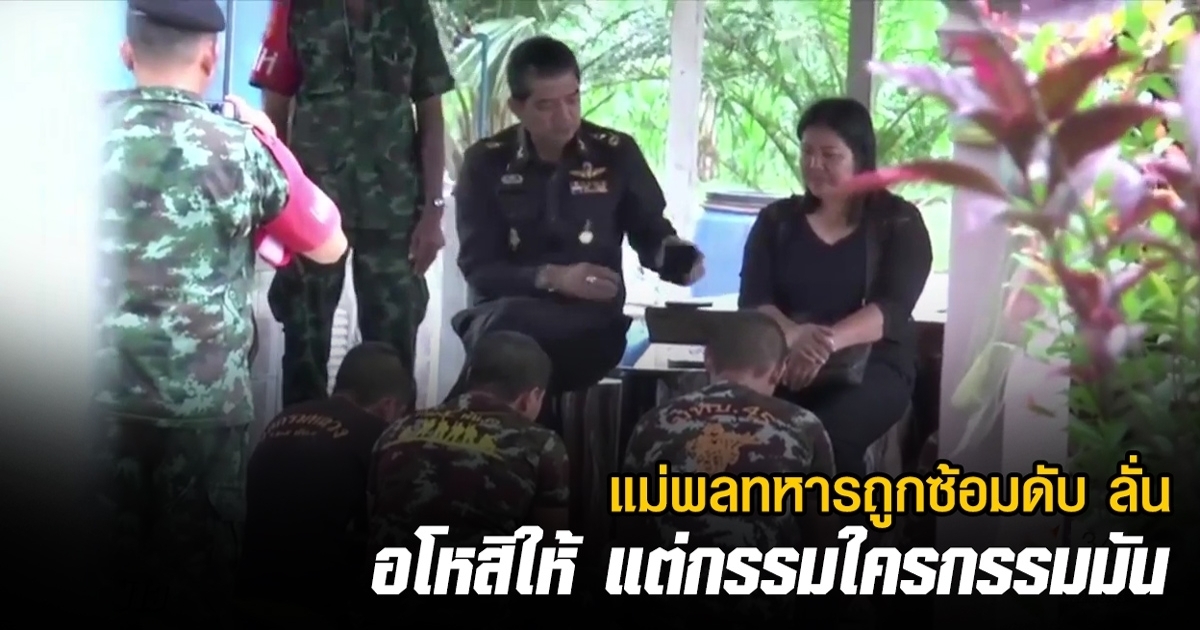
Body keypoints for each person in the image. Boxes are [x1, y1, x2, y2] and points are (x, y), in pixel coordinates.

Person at [94, 0, 348, 624]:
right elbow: (329, 243)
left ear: (127, 54)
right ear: (210, 60)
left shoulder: (68, 137)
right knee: (195, 583)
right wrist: (272, 144)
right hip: (201, 412)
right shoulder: (239, 149)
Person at [451, 36, 705, 422]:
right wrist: (554, 277)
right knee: (510, 332)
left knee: (505, 349)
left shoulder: (615, 153)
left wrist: (676, 258)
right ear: (517, 107)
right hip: (500, 317)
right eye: (547, 105)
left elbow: (650, 231)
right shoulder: (485, 163)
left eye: (572, 99)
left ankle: (450, 426)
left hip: (589, 324)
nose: (565, 116)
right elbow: (479, 268)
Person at [250, 0, 455, 406]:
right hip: (312, 208)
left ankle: (386, 444)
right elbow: (274, 116)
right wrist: (279, 207)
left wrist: (433, 211)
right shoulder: (295, 8)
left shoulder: (410, 9)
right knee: (304, 342)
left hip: (394, 209)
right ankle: (304, 439)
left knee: (394, 350)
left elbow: (431, 115)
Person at [738, 97, 932, 480]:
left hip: (873, 365)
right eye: (807, 152)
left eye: (830, 155)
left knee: (828, 436)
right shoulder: (776, 221)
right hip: (784, 359)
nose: (814, 164)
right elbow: (754, 301)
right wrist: (795, 337)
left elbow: (891, 310)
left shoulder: (898, 222)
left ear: (860, 158)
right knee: (749, 433)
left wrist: (824, 344)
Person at [620, 311, 838, 624]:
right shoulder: (805, 427)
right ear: (780, 371)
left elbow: (629, 535)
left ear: (708, 360)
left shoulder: (654, 422)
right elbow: (824, 544)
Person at [238, 342, 415, 625]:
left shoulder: (284, 418)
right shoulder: (379, 437)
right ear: (389, 406)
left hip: (245, 592)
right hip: (317, 605)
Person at [368, 331, 569, 553]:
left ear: (470, 375)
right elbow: (549, 549)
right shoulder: (542, 445)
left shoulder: (398, 429)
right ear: (530, 397)